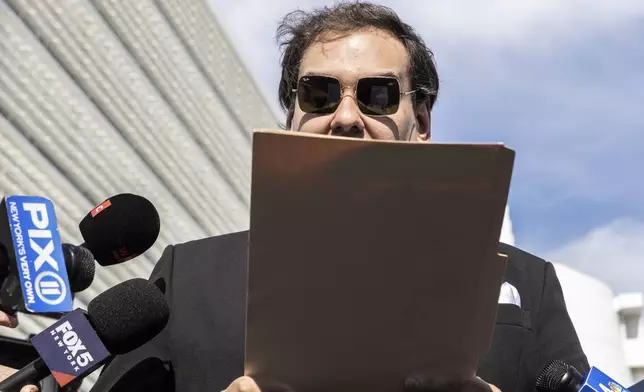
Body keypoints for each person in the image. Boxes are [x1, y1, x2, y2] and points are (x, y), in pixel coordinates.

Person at [0, 2, 589, 392]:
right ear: (291, 113)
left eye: (380, 95)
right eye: (320, 93)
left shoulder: (526, 282)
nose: (347, 117)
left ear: (422, 117)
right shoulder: (191, 276)